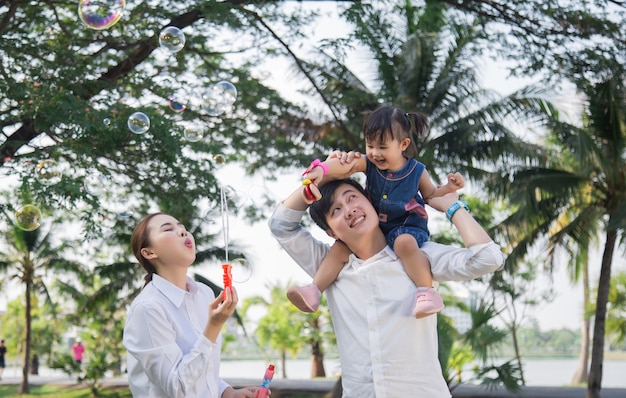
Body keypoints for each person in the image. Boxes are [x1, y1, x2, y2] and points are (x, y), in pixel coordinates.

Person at [268, 167, 504, 397]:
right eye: (336, 210)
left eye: (352, 198)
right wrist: (327, 172)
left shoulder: (416, 255)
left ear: (371, 202)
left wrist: (453, 207)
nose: (349, 210)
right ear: (331, 232)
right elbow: (281, 226)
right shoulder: (329, 267)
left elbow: (488, 258)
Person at [287, 105, 464, 318]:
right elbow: (345, 166)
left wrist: (449, 189)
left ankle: (426, 292)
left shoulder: (417, 171)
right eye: (370, 145)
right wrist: (322, 169)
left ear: (403, 145)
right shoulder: (369, 163)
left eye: (382, 147)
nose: (374, 153)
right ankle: (314, 290)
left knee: (403, 244)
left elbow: (431, 195)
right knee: (340, 249)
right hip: (379, 226)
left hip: (406, 225)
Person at [123, 212, 263, 398]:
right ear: (149, 252)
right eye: (168, 229)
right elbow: (177, 388)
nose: (182, 232)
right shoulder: (148, 308)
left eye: (182, 227)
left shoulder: (204, 293)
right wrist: (213, 327)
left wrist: (227, 392)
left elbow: (201, 368)